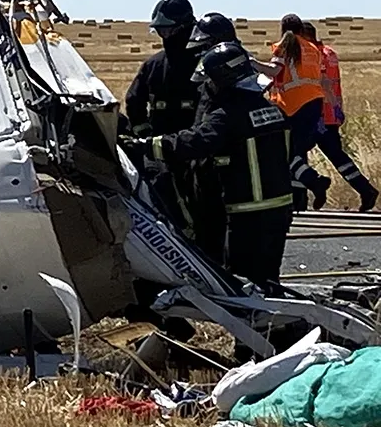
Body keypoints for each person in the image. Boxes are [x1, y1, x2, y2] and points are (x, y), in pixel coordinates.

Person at [123, 41, 293, 292]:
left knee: (245, 284)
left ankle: (260, 329)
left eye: (211, 81)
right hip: (279, 208)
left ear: (224, 79)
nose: (208, 87)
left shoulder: (227, 115)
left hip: (248, 213)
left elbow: (194, 142)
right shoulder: (273, 111)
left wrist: (146, 146)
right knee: (268, 278)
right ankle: (284, 328)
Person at [124, 0, 200, 234]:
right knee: (165, 197)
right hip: (161, 149)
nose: (164, 36)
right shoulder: (153, 65)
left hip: (197, 146)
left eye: (168, 30)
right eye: (160, 31)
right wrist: (144, 134)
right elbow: (133, 100)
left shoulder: (204, 62)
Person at [251, 14, 331, 211]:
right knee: (297, 152)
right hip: (314, 103)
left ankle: (314, 182)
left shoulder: (285, 45)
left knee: (285, 152)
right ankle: (300, 198)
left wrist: (252, 63)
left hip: (292, 105)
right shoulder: (312, 48)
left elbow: (275, 71)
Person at [300, 22, 379, 211]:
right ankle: (365, 189)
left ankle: (302, 197)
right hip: (331, 116)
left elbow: (324, 83)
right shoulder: (331, 53)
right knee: (338, 157)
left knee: (295, 155)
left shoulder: (313, 54)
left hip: (316, 115)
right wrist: (337, 108)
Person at [183, 12, 241, 265]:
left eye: (204, 46)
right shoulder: (210, 73)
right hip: (205, 169)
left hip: (230, 175)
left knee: (229, 244)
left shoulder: (236, 71)